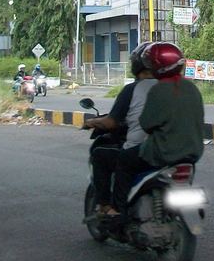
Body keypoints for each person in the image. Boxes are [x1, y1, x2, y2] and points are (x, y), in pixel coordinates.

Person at [110, 42, 204, 225]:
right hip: (192, 153)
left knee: (124, 161)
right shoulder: (192, 88)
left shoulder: (158, 90)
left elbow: (146, 124)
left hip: (163, 152)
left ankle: (118, 212)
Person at [84, 42, 156, 215]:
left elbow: (111, 122)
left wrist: (92, 122)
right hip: (177, 150)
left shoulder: (133, 89)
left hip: (146, 150)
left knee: (101, 155)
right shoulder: (173, 88)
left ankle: (112, 209)